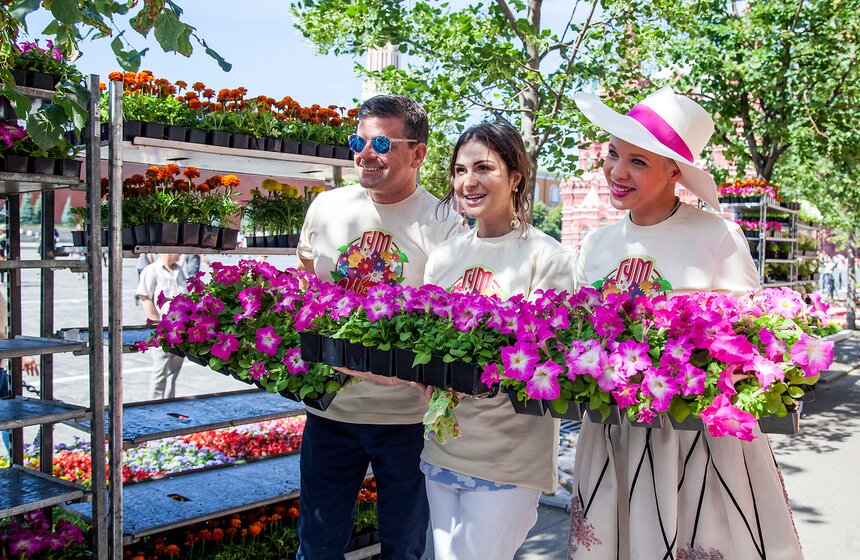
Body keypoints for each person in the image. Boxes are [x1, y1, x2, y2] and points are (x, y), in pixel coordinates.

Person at [567, 86, 803, 559]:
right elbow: (577, 333)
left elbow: (754, 335)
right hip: (615, 432)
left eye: (638, 161)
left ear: (674, 170)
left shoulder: (717, 234)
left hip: (697, 439)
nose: (617, 171)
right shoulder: (596, 245)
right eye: (614, 155)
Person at [295, 94, 464, 560]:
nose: (366, 154)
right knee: (317, 544)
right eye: (358, 141)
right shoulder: (326, 208)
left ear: (418, 153)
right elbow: (307, 287)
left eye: (382, 143)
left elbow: (448, 322)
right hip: (330, 412)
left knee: (403, 547)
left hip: (407, 422)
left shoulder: (445, 222)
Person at [421, 122, 574, 559]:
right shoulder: (445, 256)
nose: (468, 181)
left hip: (508, 454)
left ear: (516, 177)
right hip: (441, 444)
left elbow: (547, 359)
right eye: (459, 170)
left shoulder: (549, 257)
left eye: (484, 168)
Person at [136, 253, 186, 400]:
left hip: (180, 330)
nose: (180, 255)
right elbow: (145, 298)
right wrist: (157, 325)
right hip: (163, 330)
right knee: (160, 369)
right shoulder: (151, 270)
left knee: (174, 370)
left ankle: (169, 403)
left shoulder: (179, 270)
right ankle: (155, 404)